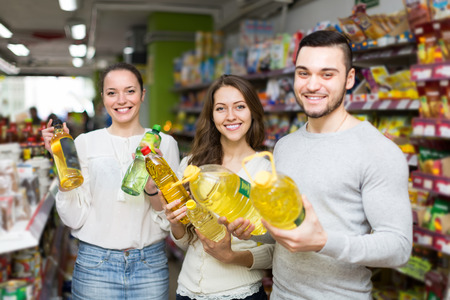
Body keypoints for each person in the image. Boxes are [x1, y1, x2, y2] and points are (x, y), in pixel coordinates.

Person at [223, 30, 413, 299]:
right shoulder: (285, 146)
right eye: (303, 73)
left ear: (349, 79)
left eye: (327, 74)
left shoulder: (377, 150)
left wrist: (324, 242)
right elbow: (288, 231)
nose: (312, 85)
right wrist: (254, 228)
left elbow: (399, 247)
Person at [42, 62, 179, 299]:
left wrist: (152, 190)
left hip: (150, 265)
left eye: (130, 91)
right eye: (112, 93)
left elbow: (170, 219)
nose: (121, 100)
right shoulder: (84, 143)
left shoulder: (165, 144)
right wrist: (61, 162)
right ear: (103, 98)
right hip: (95, 266)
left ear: (142, 94)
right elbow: (74, 217)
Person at [163, 74, 274, 300]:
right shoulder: (192, 164)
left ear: (252, 111)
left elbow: (274, 251)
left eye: (240, 106)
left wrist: (230, 256)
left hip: (240, 294)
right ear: (211, 116)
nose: (230, 116)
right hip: (186, 290)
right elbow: (186, 242)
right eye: (221, 108)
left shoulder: (266, 170)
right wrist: (175, 224)